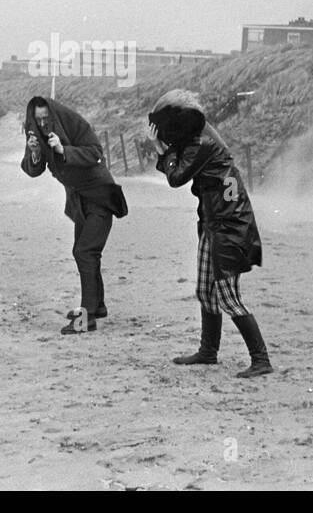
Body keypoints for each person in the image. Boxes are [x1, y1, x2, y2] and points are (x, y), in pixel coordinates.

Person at [148, 89, 273, 378]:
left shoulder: (201, 145)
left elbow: (176, 177)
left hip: (230, 227)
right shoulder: (198, 139)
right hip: (215, 223)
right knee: (206, 290)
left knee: (228, 296)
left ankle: (261, 359)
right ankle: (208, 351)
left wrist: (158, 147)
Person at [21, 96, 127, 334]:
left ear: (54, 115)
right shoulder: (35, 133)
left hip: (100, 197)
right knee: (87, 251)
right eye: (38, 120)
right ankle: (97, 306)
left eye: (46, 118)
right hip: (79, 201)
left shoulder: (73, 123)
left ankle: (86, 318)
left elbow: (96, 153)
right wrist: (36, 153)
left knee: (84, 252)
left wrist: (62, 149)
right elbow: (32, 170)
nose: (43, 123)